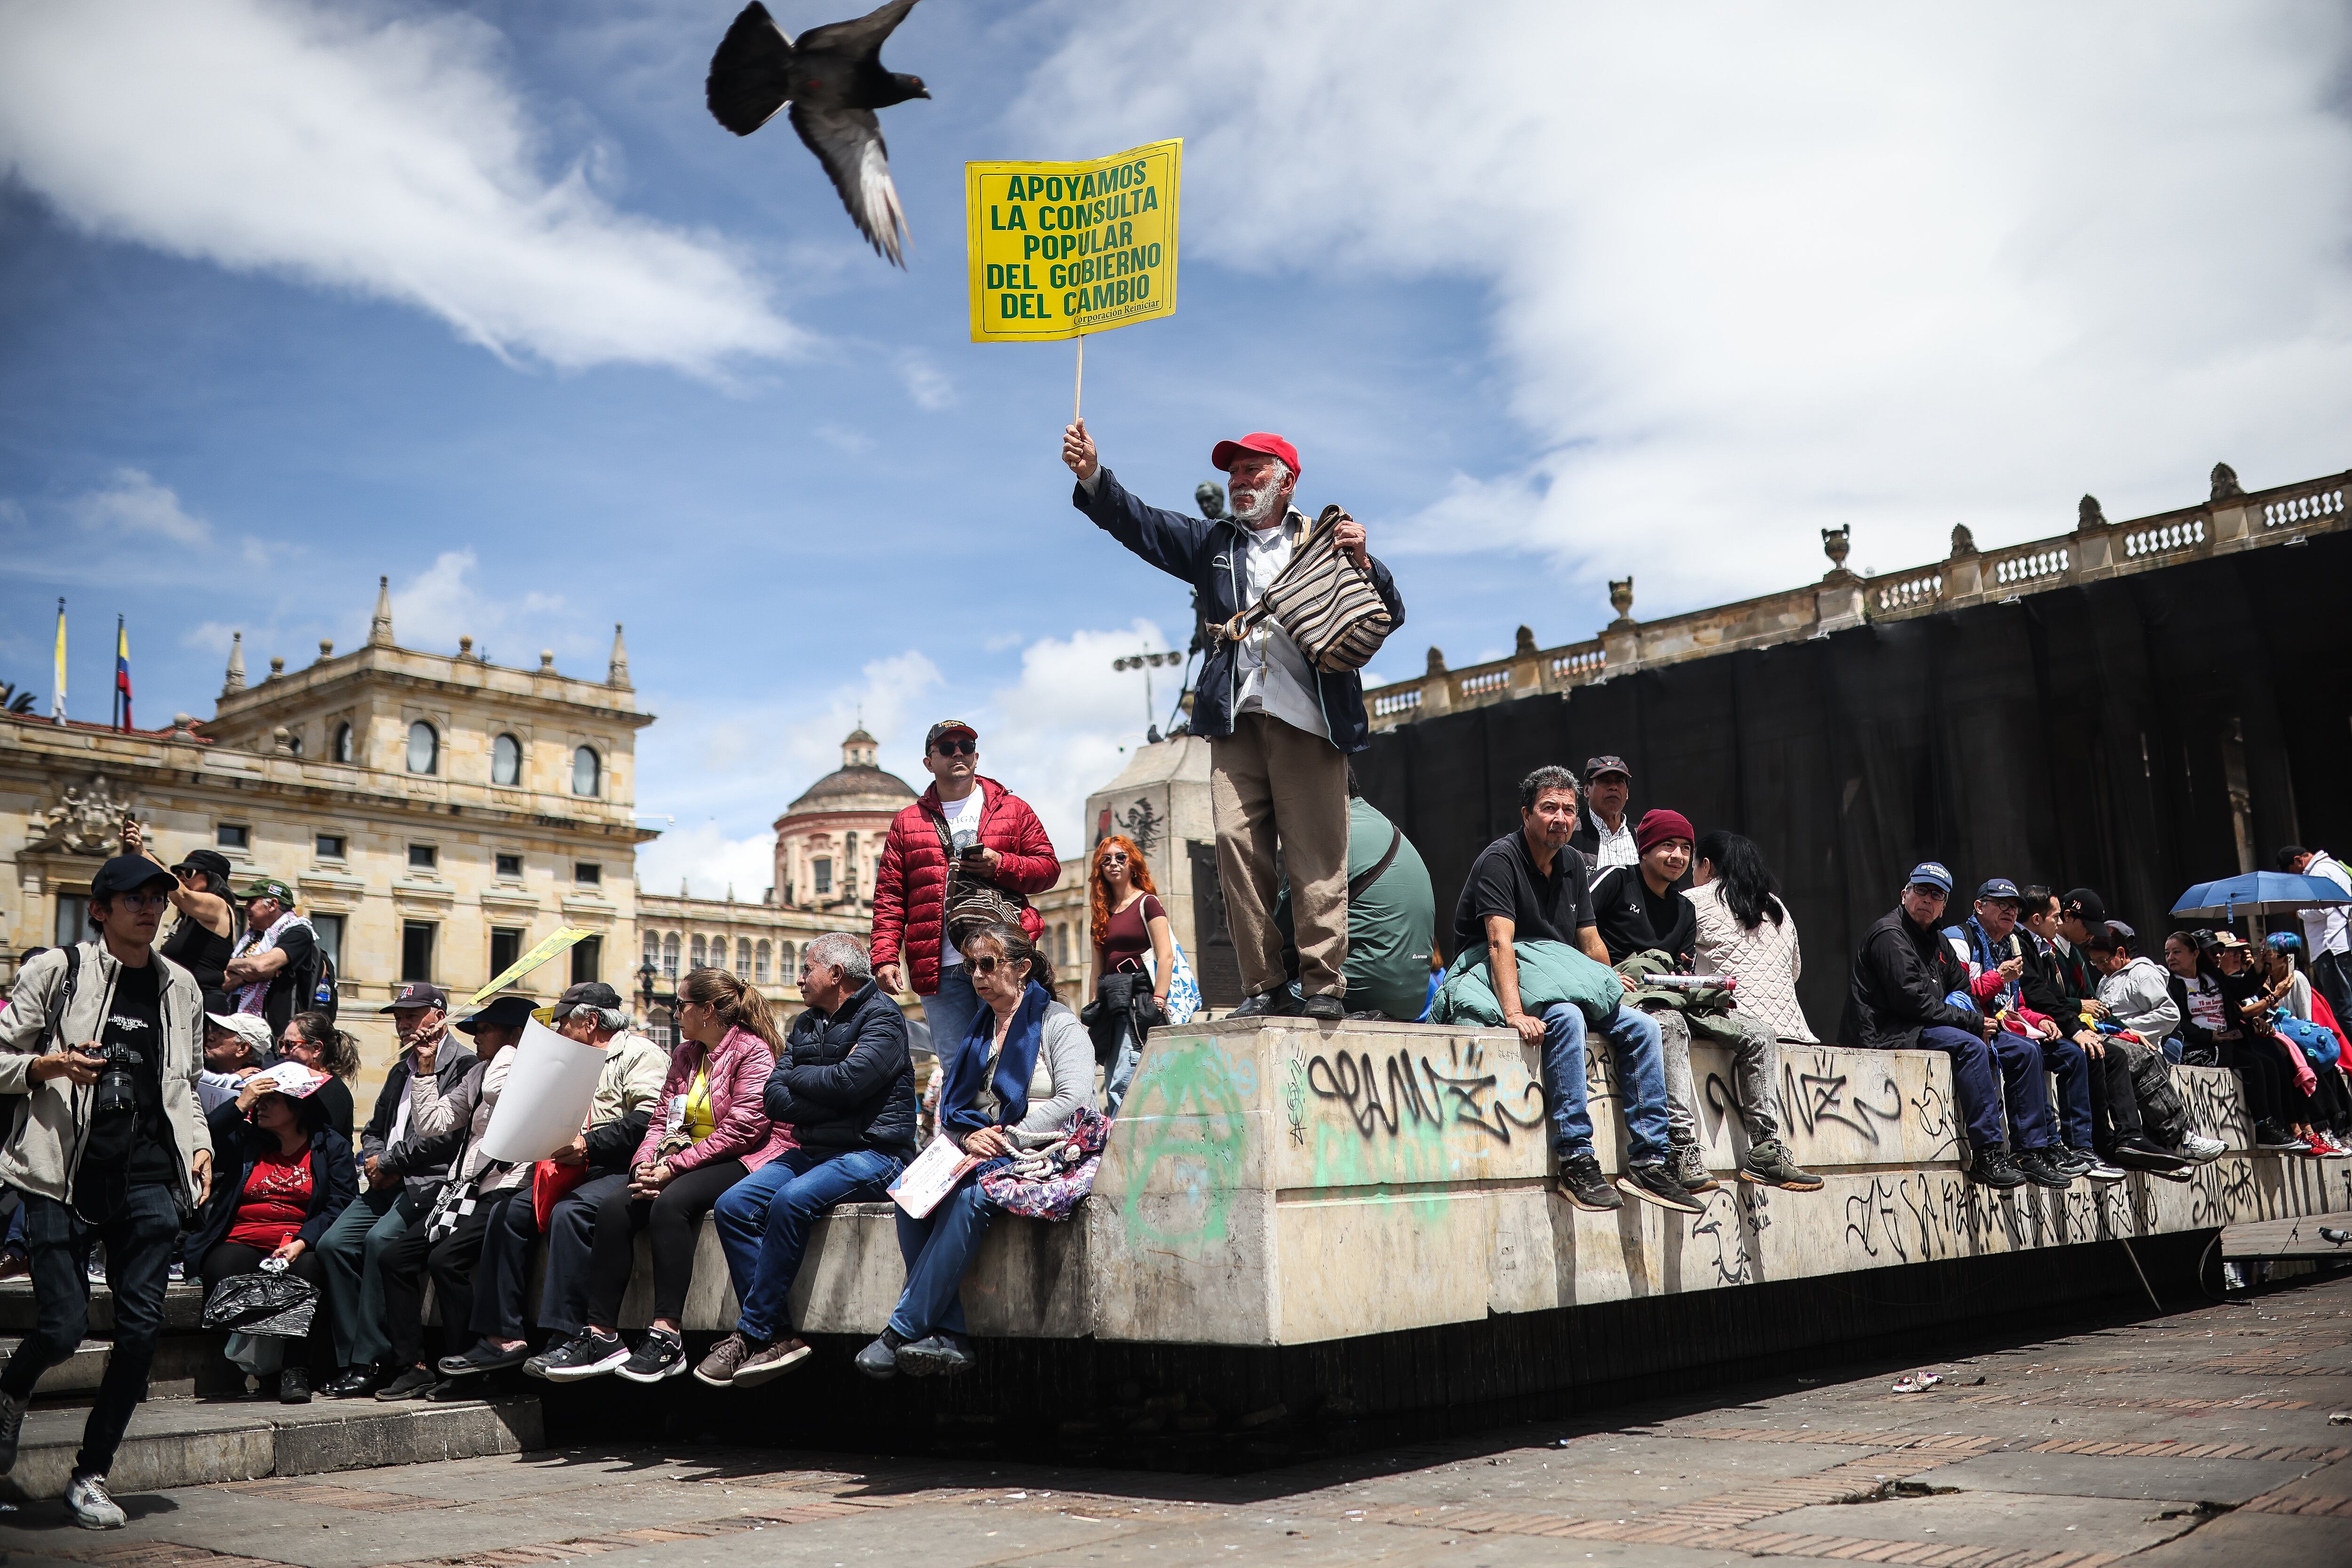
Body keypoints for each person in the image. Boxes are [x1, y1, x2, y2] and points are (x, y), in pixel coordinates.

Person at [1064, 422, 1404, 1021]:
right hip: (1237, 718)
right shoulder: (1214, 543)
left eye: (1252, 470)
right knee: (1235, 847)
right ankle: (1261, 986)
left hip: (1310, 721)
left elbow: (1389, 612)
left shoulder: (1326, 539)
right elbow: (1142, 525)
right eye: (1233, 472)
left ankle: (1323, 987)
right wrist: (1093, 475)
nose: (1238, 482)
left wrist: (1365, 561)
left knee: (1316, 855)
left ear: (1286, 480)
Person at [0, 855, 214, 1530]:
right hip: (59, 1171)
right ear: (100, 909)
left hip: (147, 1175)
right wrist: (50, 1064)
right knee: (62, 1329)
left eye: (158, 898)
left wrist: (200, 1144)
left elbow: (185, 1081)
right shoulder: (57, 970)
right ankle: (9, 1393)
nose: (149, 909)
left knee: (142, 1334)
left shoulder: (181, 986)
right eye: (132, 898)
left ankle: (91, 1472)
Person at [1451, 767, 1695, 1215]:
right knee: (1566, 1016)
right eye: (1549, 808)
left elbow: (1590, 941)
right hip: (1495, 974)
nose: (1560, 818)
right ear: (1526, 814)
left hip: (1556, 972)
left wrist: (1609, 986)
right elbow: (1498, 941)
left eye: (1568, 809)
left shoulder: (1572, 866)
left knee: (1643, 1028)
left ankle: (1650, 1160)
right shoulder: (1499, 860)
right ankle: (1576, 1158)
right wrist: (1514, 1012)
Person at [856, 922, 1093, 1380]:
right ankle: (950, 1333)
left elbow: (1075, 1104)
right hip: (982, 1144)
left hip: (1046, 1150)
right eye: (970, 967)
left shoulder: (1058, 1024)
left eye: (988, 964)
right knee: (910, 1192)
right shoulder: (978, 1031)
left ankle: (900, 1331)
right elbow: (956, 1107)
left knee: (969, 1197)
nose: (978, 976)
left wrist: (1005, 1136)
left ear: (1022, 967)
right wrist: (969, 1139)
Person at [533, 968, 790, 1385]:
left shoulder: (753, 1050)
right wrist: (645, 1164)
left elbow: (743, 1128)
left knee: (670, 1205)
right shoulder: (687, 1054)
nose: (675, 1013)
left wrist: (674, 1167)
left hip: (743, 1156)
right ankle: (602, 1335)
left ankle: (667, 1336)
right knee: (617, 1207)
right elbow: (658, 1120)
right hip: (685, 1156)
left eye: (682, 1005)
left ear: (707, 1010)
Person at [699, 934, 916, 1388]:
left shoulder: (884, 1018)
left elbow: (851, 1083)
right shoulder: (804, 1024)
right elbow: (774, 1097)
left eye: (807, 968)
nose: (799, 978)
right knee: (733, 1206)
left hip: (875, 1154)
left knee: (791, 1201)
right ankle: (778, 1332)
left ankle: (754, 1331)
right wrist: (832, 1093)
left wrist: (811, 1082)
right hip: (814, 1151)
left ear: (836, 974)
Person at [1590, 809, 1812, 1193]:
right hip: (1622, 990)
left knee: (1758, 1031)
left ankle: (1765, 1148)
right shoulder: (1616, 880)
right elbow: (1574, 925)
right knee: (1670, 1025)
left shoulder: (1685, 908)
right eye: (1667, 845)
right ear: (1645, 848)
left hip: (1671, 994)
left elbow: (1680, 965)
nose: (1677, 855)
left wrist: (1702, 988)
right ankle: (1679, 1145)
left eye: (1684, 848)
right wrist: (1604, 972)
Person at [1838, 862, 2063, 1190]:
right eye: (1921, 891)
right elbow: (1912, 1002)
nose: (1927, 899)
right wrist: (1972, 1021)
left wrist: (1978, 1016)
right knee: (1972, 1046)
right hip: (1893, 1031)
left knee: (2025, 1049)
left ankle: (2030, 1151)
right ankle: (1986, 1154)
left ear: (1945, 904)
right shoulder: (1890, 935)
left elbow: (1963, 989)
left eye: (1937, 895)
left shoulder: (1938, 940)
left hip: (1930, 1023)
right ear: (1905, 894)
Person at [490, 984, 666, 1380]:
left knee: (572, 1214)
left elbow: (647, 1122)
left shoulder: (640, 1053)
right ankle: (502, 1335)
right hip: (581, 1165)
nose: (560, 1032)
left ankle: (568, 1335)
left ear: (590, 1022)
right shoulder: (573, 1059)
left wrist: (589, 1145)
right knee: (508, 1210)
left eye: (564, 1023)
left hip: (622, 1165)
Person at [316, 983, 475, 1399]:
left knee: (378, 1240)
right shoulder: (400, 1067)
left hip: (428, 1183)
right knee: (333, 1243)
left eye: (412, 1014)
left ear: (438, 1015)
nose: (403, 1024)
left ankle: (376, 1357)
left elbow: (447, 1137)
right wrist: (374, 1158)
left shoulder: (465, 1064)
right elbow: (373, 1129)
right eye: (399, 1017)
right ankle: (352, 1354)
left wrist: (390, 1162)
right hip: (387, 1179)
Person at [374, 993, 536, 1401]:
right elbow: (432, 1124)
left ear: (515, 1033)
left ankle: (467, 1365)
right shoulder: (480, 1071)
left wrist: (514, 1050)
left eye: (486, 1028)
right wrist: (426, 1066)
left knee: (447, 1261)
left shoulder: (525, 1069)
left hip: (507, 1188)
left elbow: (502, 1093)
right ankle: (413, 1365)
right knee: (394, 1257)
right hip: (464, 1192)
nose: (477, 1036)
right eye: (477, 1028)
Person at [872, 720, 1062, 1053]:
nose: (958, 753)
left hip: (1002, 959)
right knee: (957, 1066)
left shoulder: (1012, 808)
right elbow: (890, 896)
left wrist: (1001, 864)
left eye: (967, 746)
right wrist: (885, 957)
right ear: (929, 762)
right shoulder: (907, 821)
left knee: (1013, 1056)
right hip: (939, 967)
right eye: (947, 748)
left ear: (976, 757)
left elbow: (1048, 869)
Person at [186, 1070, 356, 1403]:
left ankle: (294, 1370)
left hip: (299, 1241)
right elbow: (207, 1135)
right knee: (224, 1264)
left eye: (270, 1101)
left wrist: (302, 1241)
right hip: (245, 1236)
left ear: (298, 1107)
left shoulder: (329, 1146)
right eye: (258, 1101)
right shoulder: (247, 1140)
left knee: (309, 1270)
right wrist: (240, 1103)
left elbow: (341, 1204)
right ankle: (243, 1367)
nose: (260, 1107)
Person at [1943, 880, 2115, 1182]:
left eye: (2014, 907)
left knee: (2072, 1054)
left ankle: (2075, 1148)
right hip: (1974, 1027)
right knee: (2028, 1051)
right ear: (1979, 906)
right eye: (2001, 904)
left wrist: (2039, 1021)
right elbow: (1960, 992)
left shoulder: (2010, 943)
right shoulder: (1960, 937)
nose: (2010, 911)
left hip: (2007, 1027)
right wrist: (1999, 977)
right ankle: (2024, 1150)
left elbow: (2017, 1003)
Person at [1681, 831, 1820, 1189]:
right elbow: (1795, 971)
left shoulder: (1694, 900)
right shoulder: (1777, 906)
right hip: (1793, 1028)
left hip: (1740, 1021)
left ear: (1706, 865)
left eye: (1693, 864)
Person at [1274, 787, 1438, 1023]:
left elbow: (1282, 934)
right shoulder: (1387, 828)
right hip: (1413, 1000)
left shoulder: (1325, 836)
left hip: (1361, 990)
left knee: (1271, 1001)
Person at [2079, 924, 2215, 1169]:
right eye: (2095, 963)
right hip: (2110, 1045)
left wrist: (2126, 1028)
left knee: (2146, 1062)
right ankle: (2173, 1146)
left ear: (2121, 953)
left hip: (2140, 1049)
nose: (2100, 967)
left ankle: (2181, 1139)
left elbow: (2170, 1014)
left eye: (2104, 960)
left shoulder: (2142, 974)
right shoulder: (2105, 980)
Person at [1087, 835, 1173, 1114]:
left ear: (1132, 863)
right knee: (1113, 1075)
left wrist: (1159, 1000)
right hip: (1111, 1003)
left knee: (1124, 1079)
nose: (1114, 864)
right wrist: (1093, 1009)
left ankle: (1123, 1143)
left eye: (1121, 857)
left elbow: (1166, 956)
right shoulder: (1101, 913)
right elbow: (1097, 969)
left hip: (1139, 1001)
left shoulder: (1147, 903)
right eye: (1107, 860)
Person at [2202, 933, 2308, 1152]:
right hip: (2208, 1045)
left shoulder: (2217, 979)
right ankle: (2274, 1126)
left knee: (2279, 1058)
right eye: (2229, 951)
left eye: (2232, 951)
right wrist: (2271, 998)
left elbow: (2241, 991)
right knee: (2261, 1060)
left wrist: (2258, 971)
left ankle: (2288, 1127)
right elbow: (2238, 1010)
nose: (2225, 956)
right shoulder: (2184, 982)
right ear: (2198, 954)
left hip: (2236, 1037)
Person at [122, 826, 240, 1011]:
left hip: (202, 1005)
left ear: (212, 878)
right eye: (177, 874)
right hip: (182, 1001)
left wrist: (142, 853)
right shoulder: (190, 920)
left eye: (189, 874)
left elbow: (182, 896)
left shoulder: (219, 906)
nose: (181, 879)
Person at [222, 879, 319, 1037]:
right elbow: (222, 981)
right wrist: (248, 976)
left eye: (252, 902)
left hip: (274, 1038)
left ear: (273, 904)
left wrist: (241, 968)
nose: (245, 908)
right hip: (235, 1028)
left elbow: (262, 966)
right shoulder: (251, 937)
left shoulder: (299, 932)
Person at [2278, 845, 2352, 1028]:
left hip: (2332, 948)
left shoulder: (2319, 872)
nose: (2295, 877)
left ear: (2299, 861)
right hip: (2337, 948)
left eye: (2292, 872)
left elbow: (2323, 908)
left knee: (2343, 1011)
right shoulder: (2332, 867)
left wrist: (2297, 912)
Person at [278, 1011, 360, 1145]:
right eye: (281, 1044)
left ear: (316, 1048)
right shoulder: (300, 1083)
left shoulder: (332, 1092)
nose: (283, 1051)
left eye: (290, 1045)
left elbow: (325, 1145)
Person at [199, 1010, 276, 1113]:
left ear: (243, 1049)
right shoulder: (206, 1068)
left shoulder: (255, 1089)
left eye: (222, 1034)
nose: (211, 1037)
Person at [1568, 756, 1637, 870]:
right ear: (1587, 791)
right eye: (1605, 781)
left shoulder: (1641, 836)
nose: (1614, 787)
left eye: (1620, 782)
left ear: (1627, 793)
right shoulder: (1570, 832)